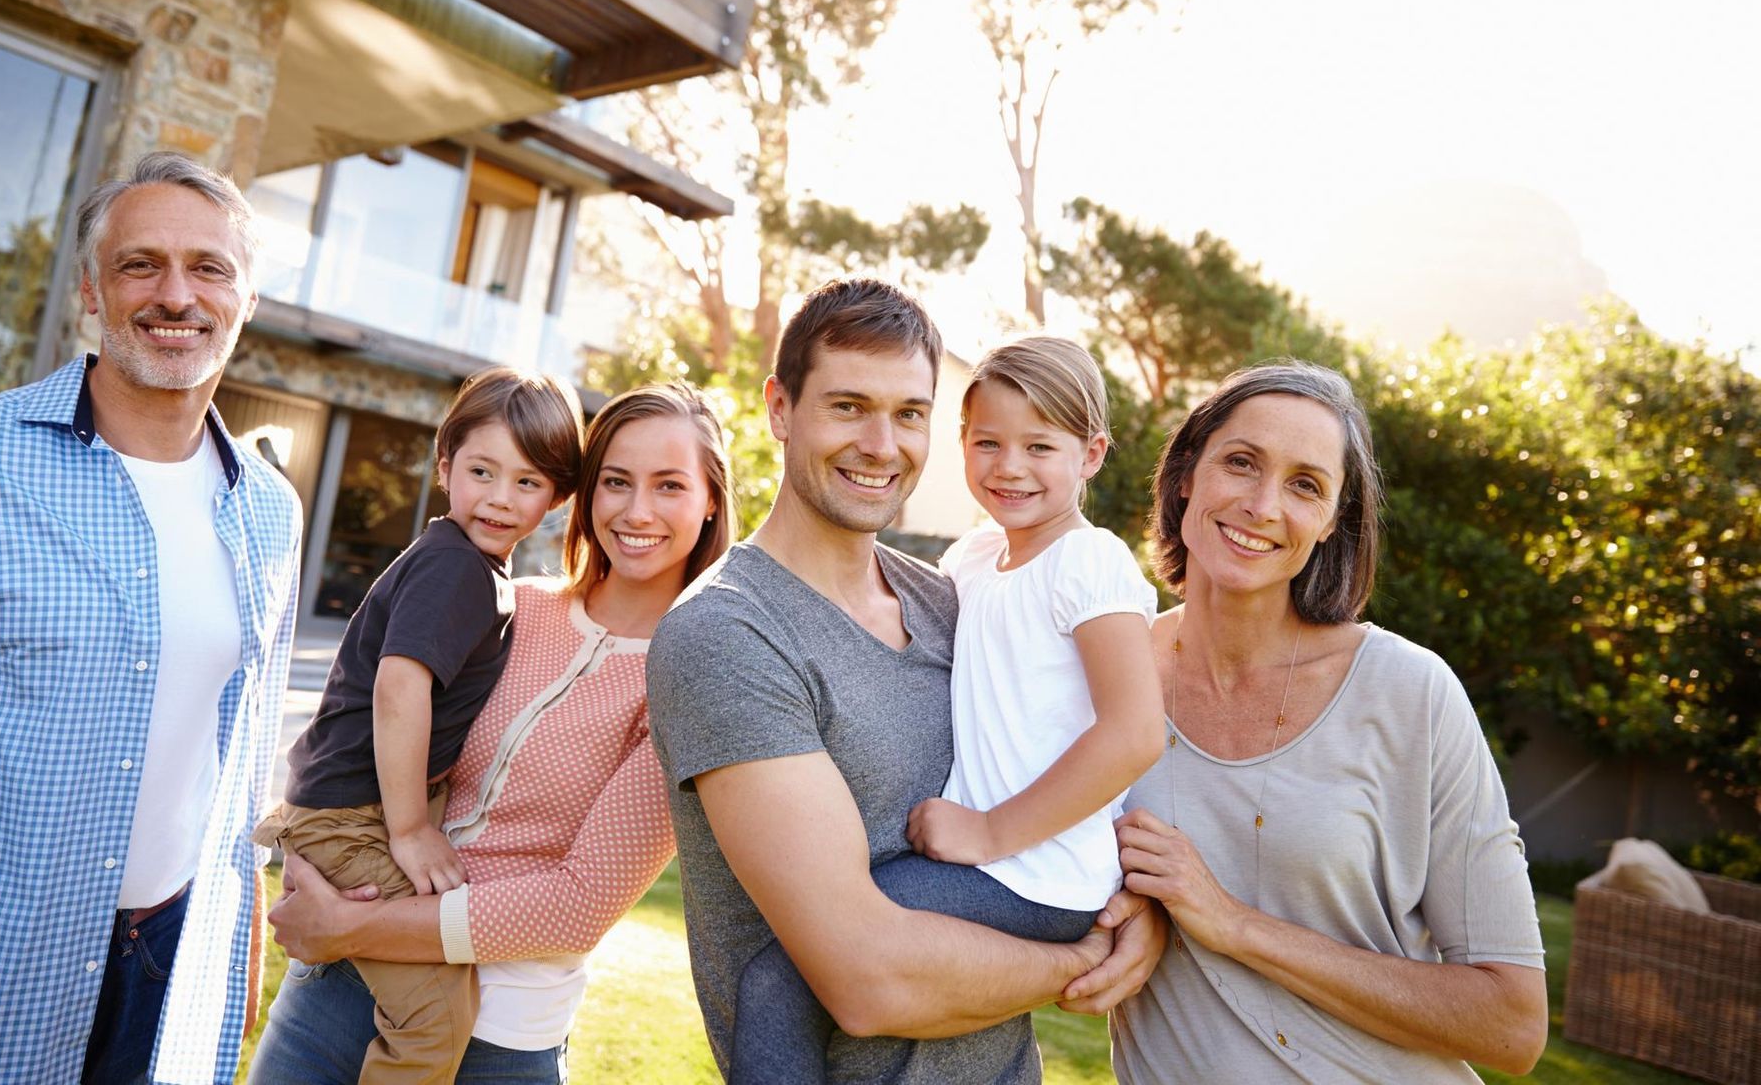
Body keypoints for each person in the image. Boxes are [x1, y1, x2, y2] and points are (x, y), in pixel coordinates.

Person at [0, 153, 302, 1084]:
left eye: (209, 268)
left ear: (246, 300)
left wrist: (240, 937)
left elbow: (238, 758)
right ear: (92, 291)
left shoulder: (270, 510)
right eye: (140, 264)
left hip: (160, 968)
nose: (176, 295)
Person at [648, 278, 1164, 1085]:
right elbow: (865, 981)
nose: (882, 444)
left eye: (910, 413)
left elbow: (1109, 723)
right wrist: (1086, 958)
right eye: (848, 406)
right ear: (780, 409)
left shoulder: (946, 597)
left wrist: (1141, 905)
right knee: (780, 984)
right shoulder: (731, 632)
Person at [253, 382, 735, 1084]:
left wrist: (350, 925)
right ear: (585, 494)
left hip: (498, 1037)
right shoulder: (509, 604)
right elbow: (373, 717)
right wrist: (318, 849)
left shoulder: (692, 684)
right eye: (616, 481)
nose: (637, 511)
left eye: (669, 485)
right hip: (333, 991)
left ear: (711, 500)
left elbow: (577, 907)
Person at [1110, 360, 1550, 1082]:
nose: (1262, 505)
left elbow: (1513, 1024)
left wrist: (1231, 923)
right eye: (1241, 462)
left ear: (1331, 523)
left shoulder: (1411, 693)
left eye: (1305, 485)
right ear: (1186, 473)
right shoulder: (1102, 674)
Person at [253, 366, 582, 1085]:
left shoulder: (470, 568)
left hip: (344, 806)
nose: (500, 497)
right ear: (444, 466)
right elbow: (400, 688)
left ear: (558, 497)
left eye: (527, 482)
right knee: (436, 1019)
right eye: (482, 471)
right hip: (356, 815)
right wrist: (407, 829)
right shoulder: (455, 570)